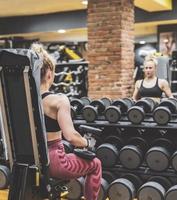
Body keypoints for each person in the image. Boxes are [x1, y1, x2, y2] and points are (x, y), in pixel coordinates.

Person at [31, 43, 102, 200]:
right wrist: (87, 143)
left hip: (30, 163)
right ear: (49, 73)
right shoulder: (59, 101)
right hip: (54, 162)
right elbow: (71, 136)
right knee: (95, 163)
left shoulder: (23, 101)